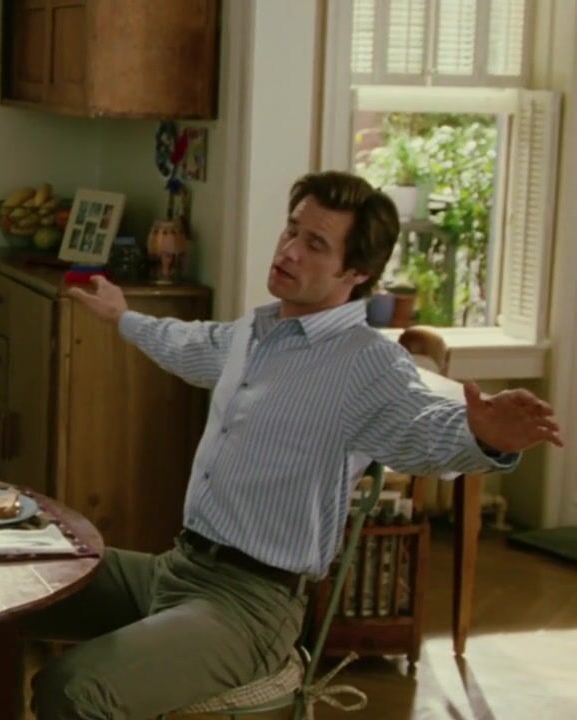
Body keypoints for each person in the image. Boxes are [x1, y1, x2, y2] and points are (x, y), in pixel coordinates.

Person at [29, 171, 564, 719]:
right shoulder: (257, 333)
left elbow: (422, 425)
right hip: (178, 567)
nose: (288, 250)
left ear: (356, 272)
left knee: (73, 689)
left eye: (315, 244)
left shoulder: (366, 362)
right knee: (19, 581)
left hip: (250, 608)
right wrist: (124, 317)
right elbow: (192, 344)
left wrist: (483, 436)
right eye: (291, 230)